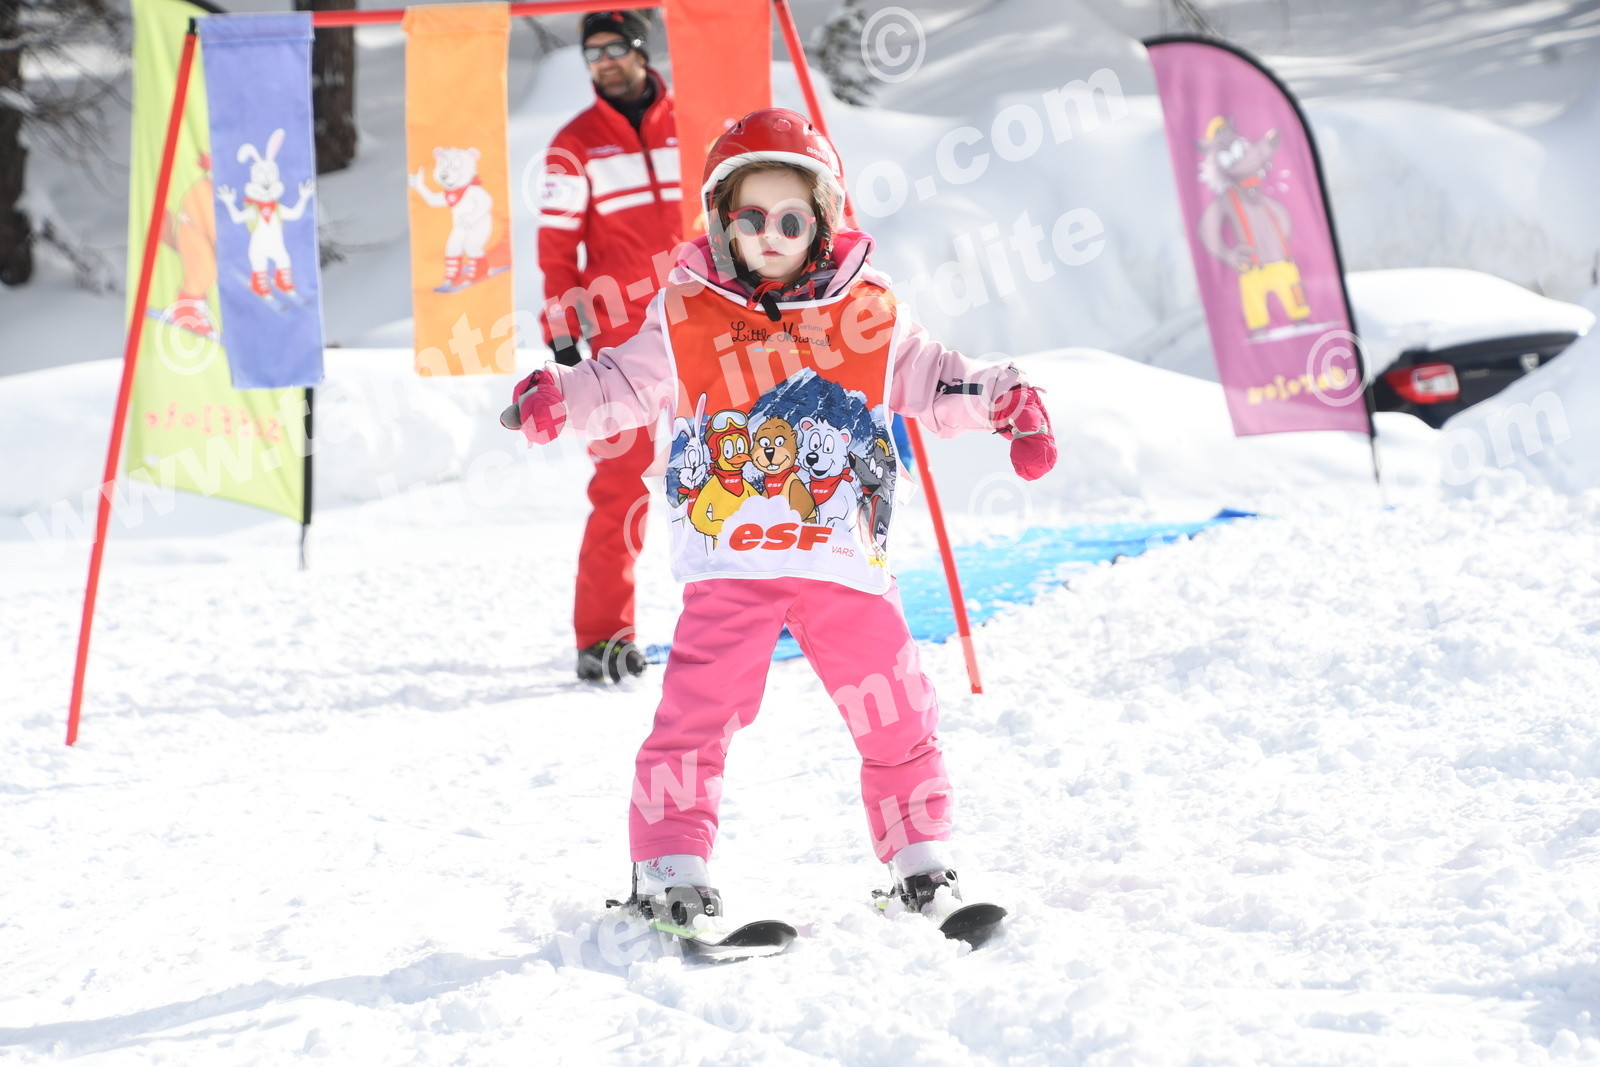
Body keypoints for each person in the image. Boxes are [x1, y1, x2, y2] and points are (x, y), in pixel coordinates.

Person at [510, 109, 1056, 922]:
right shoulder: (687, 312)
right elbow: (624, 381)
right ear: (723, 222)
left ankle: (920, 857)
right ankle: (668, 859)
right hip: (733, 564)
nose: (771, 237)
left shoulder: (868, 312)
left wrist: (1005, 398)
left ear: (822, 223)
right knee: (697, 714)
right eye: (752, 219)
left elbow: (936, 377)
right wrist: (563, 395)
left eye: (791, 221)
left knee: (895, 709)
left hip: (844, 563)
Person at [536, 9, 681, 683]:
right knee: (622, 484)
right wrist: (563, 333)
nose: (605, 62)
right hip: (623, 344)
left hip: (708, 324)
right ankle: (603, 636)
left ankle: (773, 610)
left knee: (748, 463)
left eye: (615, 47)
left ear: (641, 49)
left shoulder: (693, 123)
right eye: (592, 53)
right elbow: (556, 250)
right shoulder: (573, 146)